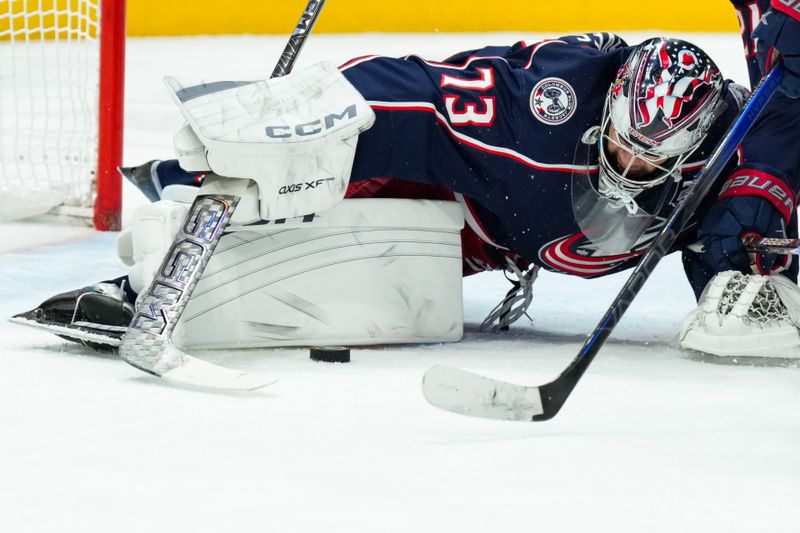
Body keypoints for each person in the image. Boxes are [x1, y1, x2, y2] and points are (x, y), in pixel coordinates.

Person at [12, 14, 800, 354]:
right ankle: (152, 278)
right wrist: (296, 125)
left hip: (511, 243)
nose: (625, 169)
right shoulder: (539, 114)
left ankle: (763, 293)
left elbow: (772, 177)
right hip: (474, 207)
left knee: (749, 234)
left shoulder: (734, 147)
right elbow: (409, 93)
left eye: (648, 158)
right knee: (322, 202)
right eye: (619, 148)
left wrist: (754, 266)